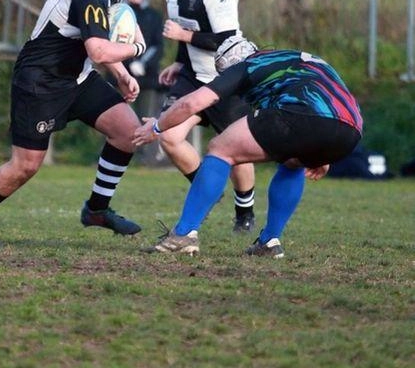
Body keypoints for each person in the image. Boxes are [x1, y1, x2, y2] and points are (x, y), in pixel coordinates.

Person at [133, 36, 363, 258]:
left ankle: (182, 235)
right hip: (351, 129)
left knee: (220, 149)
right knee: (293, 162)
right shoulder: (292, 58)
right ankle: (269, 242)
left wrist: (157, 126)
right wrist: (321, 152)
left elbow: (191, 103)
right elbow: (326, 97)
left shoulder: (245, 66)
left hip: (304, 115)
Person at [0, 0, 147, 246]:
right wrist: (138, 47)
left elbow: (92, 39)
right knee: (26, 165)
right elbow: (98, 51)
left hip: (78, 78)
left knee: (128, 131)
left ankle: (96, 211)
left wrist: (122, 73)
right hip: (41, 82)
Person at [156, 0, 257, 233]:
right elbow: (187, 29)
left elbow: (226, 40)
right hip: (192, 78)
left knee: (237, 149)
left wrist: (183, 35)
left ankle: (245, 212)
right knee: (169, 137)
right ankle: (207, 189)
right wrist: (179, 62)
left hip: (225, 79)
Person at [122, 0, 164, 118]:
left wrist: (143, 64)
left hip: (147, 79)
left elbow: (158, 46)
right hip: (121, 77)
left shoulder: (154, 15)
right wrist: (130, 62)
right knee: (117, 121)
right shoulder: (119, 13)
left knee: (145, 120)